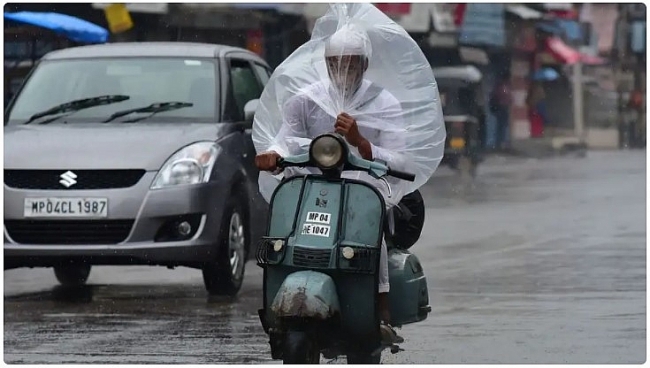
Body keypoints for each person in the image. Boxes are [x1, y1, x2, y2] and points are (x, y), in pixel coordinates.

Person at [254, 24, 406, 344]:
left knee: (370, 239)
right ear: (326, 64)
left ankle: (381, 305)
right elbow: (286, 140)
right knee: (282, 239)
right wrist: (272, 155)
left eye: (351, 62)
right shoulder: (306, 99)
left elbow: (399, 160)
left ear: (364, 64)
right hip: (312, 187)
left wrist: (361, 142)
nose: (343, 69)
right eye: (336, 62)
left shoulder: (383, 102)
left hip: (362, 188)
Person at [489, 75, 512, 150]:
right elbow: (508, 98)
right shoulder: (504, 88)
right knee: (503, 126)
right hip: (502, 108)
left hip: (500, 108)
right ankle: (501, 143)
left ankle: (499, 143)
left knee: (501, 126)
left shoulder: (499, 87)